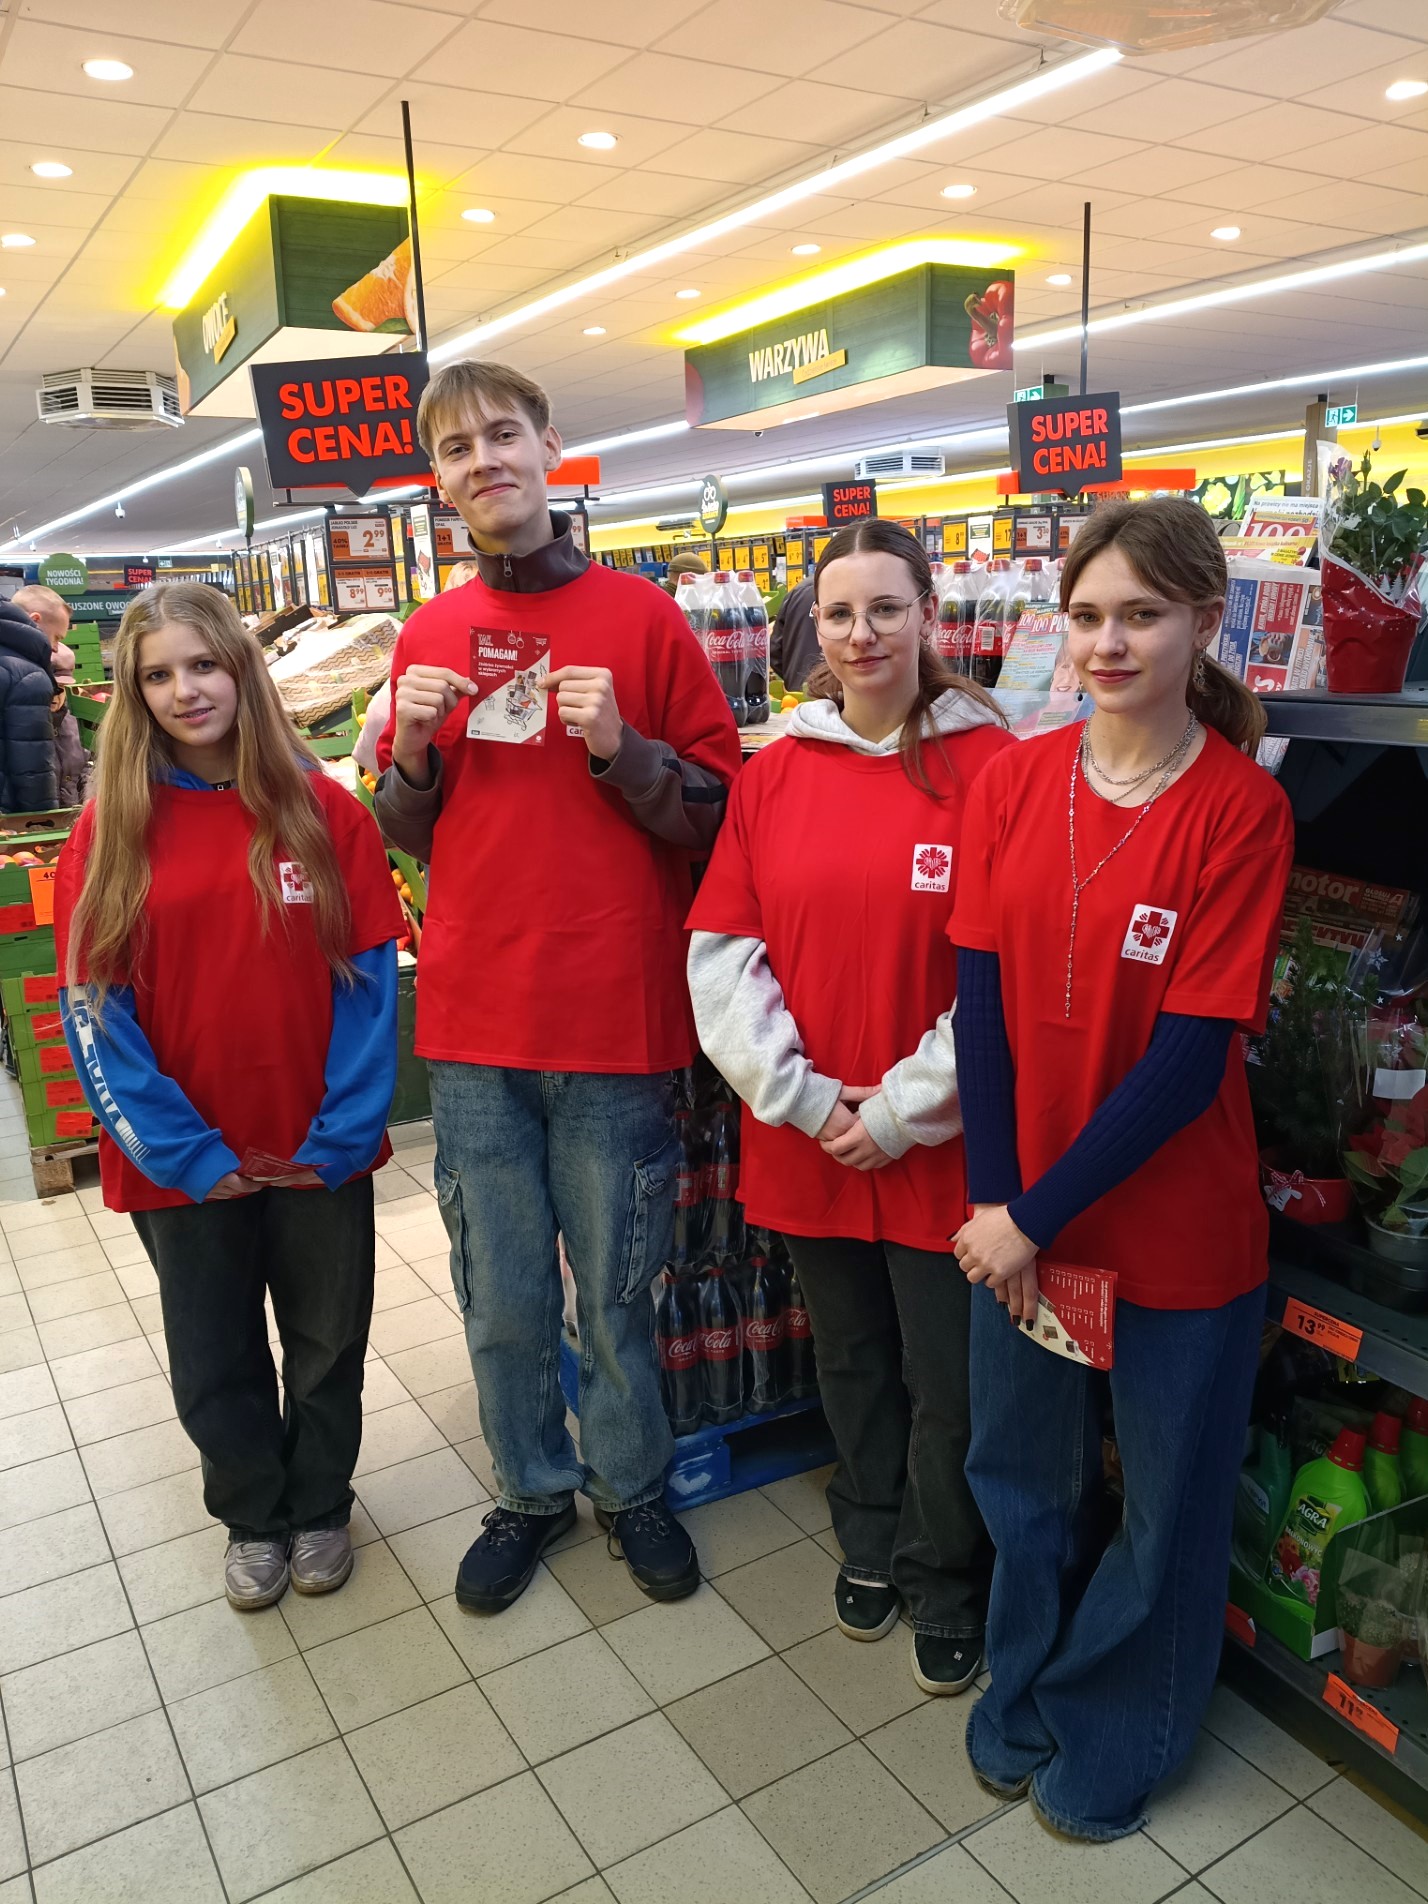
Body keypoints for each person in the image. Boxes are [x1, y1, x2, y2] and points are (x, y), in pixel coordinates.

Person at [948, 498, 1295, 1840]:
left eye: (1141, 615)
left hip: (1171, 1233)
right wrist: (998, 1206)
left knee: (1166, 1509)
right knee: (1021, 1478)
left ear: (1203, 623)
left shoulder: (1241, 811)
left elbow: (1189, 1064)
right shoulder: (1010, 782)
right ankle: (1021, 1690)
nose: (1107, 643)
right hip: (1022, 1223)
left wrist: (1028, 1213)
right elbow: (981, 1007)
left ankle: (1115, 1731)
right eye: (1087, 615)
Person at [374, 360, 742, 1613]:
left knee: (621, 1287)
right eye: (456, 447)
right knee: (502, 1291)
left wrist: (623, 750)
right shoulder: (427, 635)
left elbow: (719, 811)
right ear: (439, 480)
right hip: (474, 1021)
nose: (483, 459)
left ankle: (631, 1484)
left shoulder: (643, 618)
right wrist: (410, 751)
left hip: (613, 1012)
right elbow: (411, 832)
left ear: (549, 446)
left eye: (502, 434)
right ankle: (531, 1488)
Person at [688, 519, 1011, 1693]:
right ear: (813, 630)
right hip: (811, 1136)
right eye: (838, 612)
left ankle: (945, 1571)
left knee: (950, 1380)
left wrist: (902, 1109)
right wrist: (811, 1097)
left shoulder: (997, 768)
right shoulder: (774, 774)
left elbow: (1013, 973)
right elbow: (723, 953)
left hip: (945, 1145)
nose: (862, 633)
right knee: (854, 1360)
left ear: (929, 614)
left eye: (885, 607)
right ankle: (869, 1532)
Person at [54, 583, 402, 1611]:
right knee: (215, 1354)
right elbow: (95, 1012)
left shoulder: (323, 810)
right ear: (134, 693)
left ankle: (321, 1499)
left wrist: (344, 1130)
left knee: (328, 1342)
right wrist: (184, 1151)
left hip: (315, 1146)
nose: (186, 690)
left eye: (203, 664)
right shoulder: (111, 830)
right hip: (183, 1159)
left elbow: (370, 981)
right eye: (158, 674)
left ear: (242, 671)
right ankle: (254, 1514)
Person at [15, 584, 87, 805]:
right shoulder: (22, 721)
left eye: (62, 689)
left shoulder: (73, 724)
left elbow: (86, 769)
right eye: (51, 687)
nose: (56, 695)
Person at [0, 594, 59, 812]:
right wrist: (44, 824)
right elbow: (33, 769)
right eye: (57, 637)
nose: (57, 648)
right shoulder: (28, 676)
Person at [770, 575, 819, 692]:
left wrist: (794, 678)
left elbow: (775, 650)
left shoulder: (798, 590)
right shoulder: (851, 588)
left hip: (797, 694)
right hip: (840, 694)